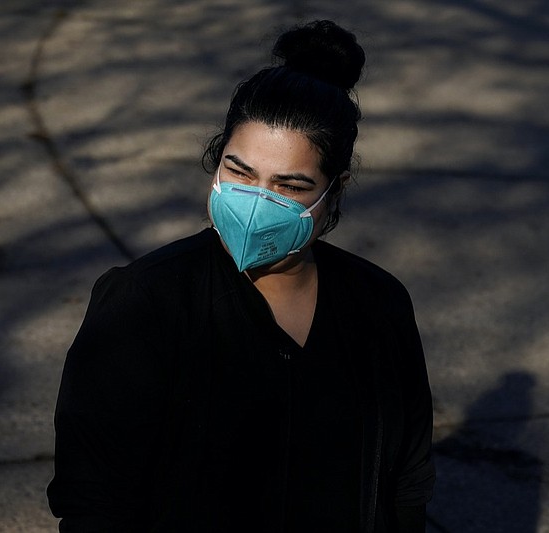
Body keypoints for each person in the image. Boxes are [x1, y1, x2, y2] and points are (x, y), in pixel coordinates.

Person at [47, 20, 435, 533]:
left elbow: (406, 478)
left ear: (334, 191)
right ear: (216, 163)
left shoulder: (378, 304)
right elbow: (92, 497)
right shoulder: (145, 301)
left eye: (289, 185)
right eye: (240, 172)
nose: (255, 203)